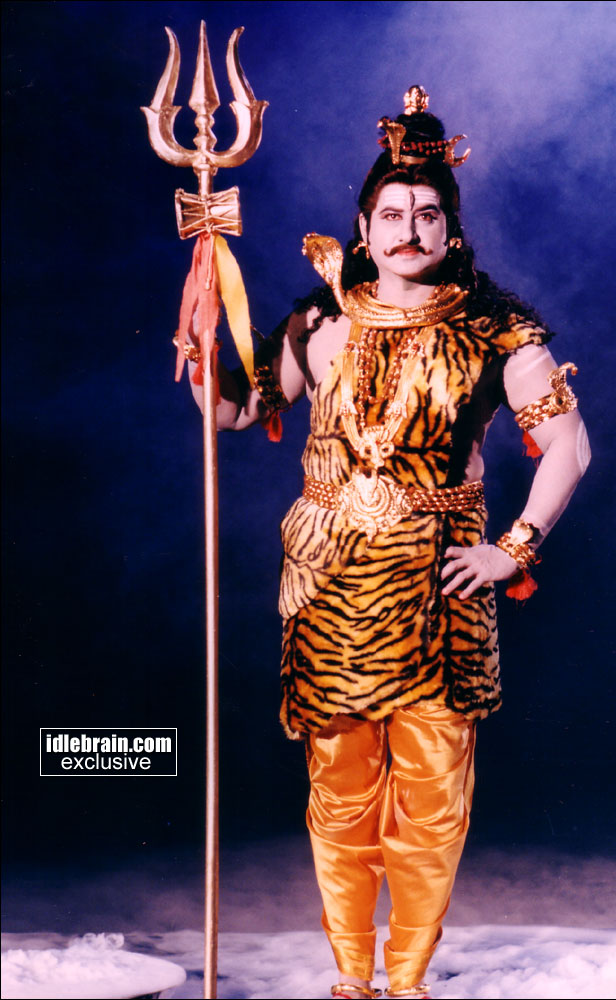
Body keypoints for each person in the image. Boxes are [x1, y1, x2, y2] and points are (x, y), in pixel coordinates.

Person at [185, 86, 590, 1000]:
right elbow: (234, 411)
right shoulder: (319, 323)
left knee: (432, 801)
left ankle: (404, 983)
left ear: (451, 228)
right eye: (393, 214)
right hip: (330, 589)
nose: (410, 229)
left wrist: (514, 548)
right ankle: (350, 980)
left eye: (428, 214)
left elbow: (568, 444)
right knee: (339, 795)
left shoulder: (496, 331)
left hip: (439, 596)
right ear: (364, 228)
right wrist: (205, 325)